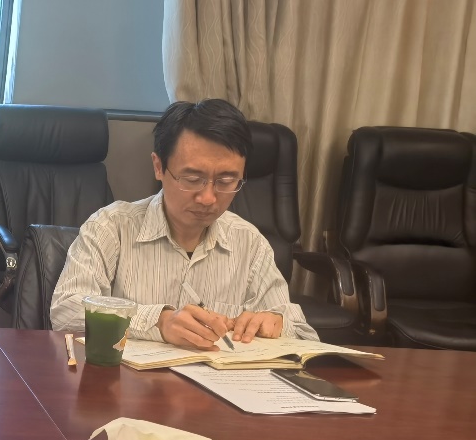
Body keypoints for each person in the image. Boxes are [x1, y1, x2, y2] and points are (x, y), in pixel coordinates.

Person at [49, 98, 317, 349]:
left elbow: (305, 334)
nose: (208, 198)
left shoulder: (249, 242)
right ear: (158, 167)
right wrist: (158, 322)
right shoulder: (111, 227)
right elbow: (65, 311)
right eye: (192, 179)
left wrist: (277, 323)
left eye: (226, 181)